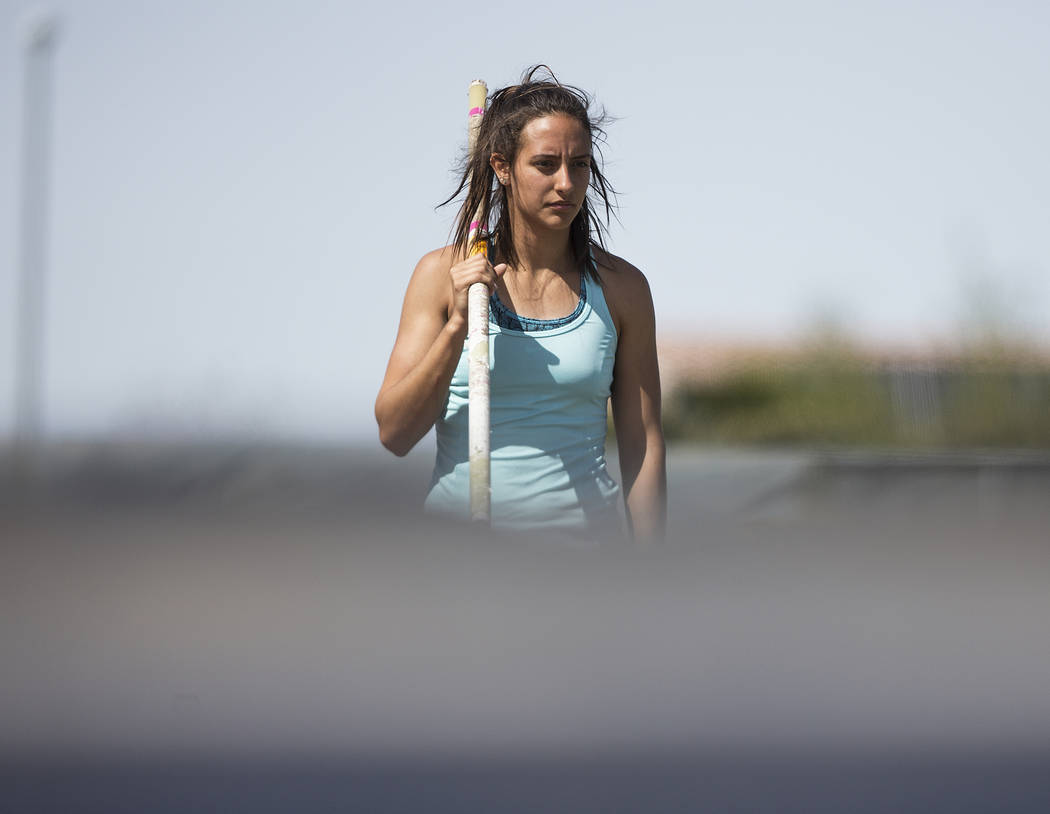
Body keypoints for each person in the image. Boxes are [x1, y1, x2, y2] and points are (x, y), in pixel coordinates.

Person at [375, 66, 665, 544]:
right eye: (546, 164)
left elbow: (645, 444)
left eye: (581, 165)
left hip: (586, 559)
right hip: (460, 564)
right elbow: (395, 434)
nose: (567, 183)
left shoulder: (622, 287)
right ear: (502, 167)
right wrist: (458, 330)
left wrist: (655, 572)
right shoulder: (441, 277)